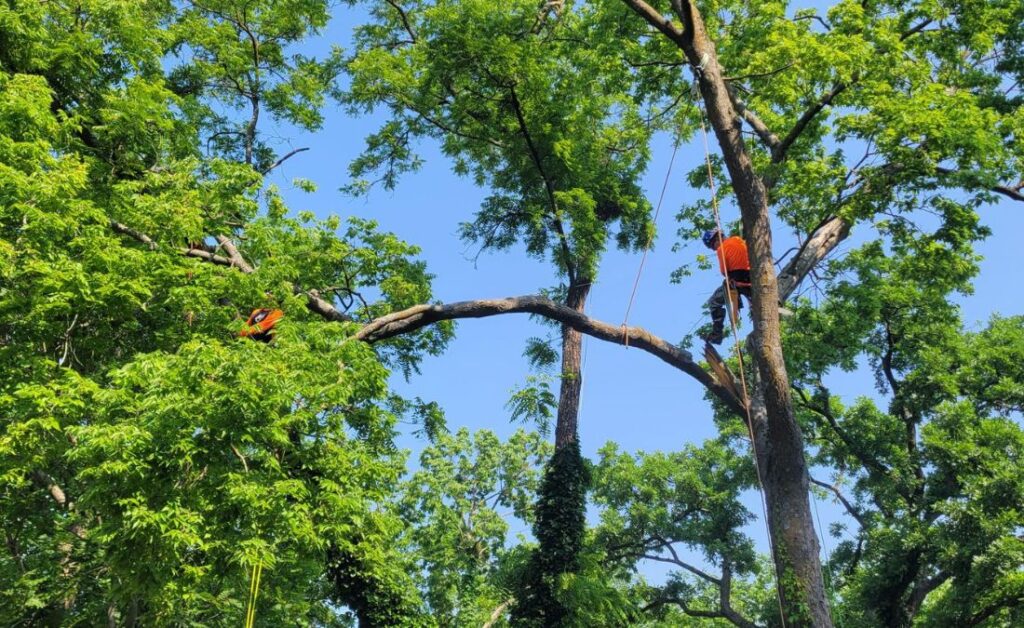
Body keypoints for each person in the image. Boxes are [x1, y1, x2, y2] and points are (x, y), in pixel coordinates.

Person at [701, 228, 751, 345]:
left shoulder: (721, 249)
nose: (714, 249)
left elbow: (725, 272)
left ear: (717, 238)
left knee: (714, 302)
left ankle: (717, 334)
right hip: (751, 279)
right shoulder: (740, 240)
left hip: (737, 281)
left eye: (713, 245)